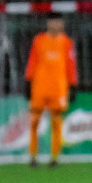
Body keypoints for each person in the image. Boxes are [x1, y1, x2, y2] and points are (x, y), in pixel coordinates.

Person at [25, 12, 76, 167]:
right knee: (34, 122)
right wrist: (28, 81)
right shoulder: (39, 40)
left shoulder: (67, 42)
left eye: (59, 22)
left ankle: (54, 158)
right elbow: (33, 61)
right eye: (53, 22)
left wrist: (73, 84)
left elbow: (70, 64)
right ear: (48, 24)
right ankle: (33, 156)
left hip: (58, 88)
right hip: (39, 86)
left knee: (56, 123)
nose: (56, 25)